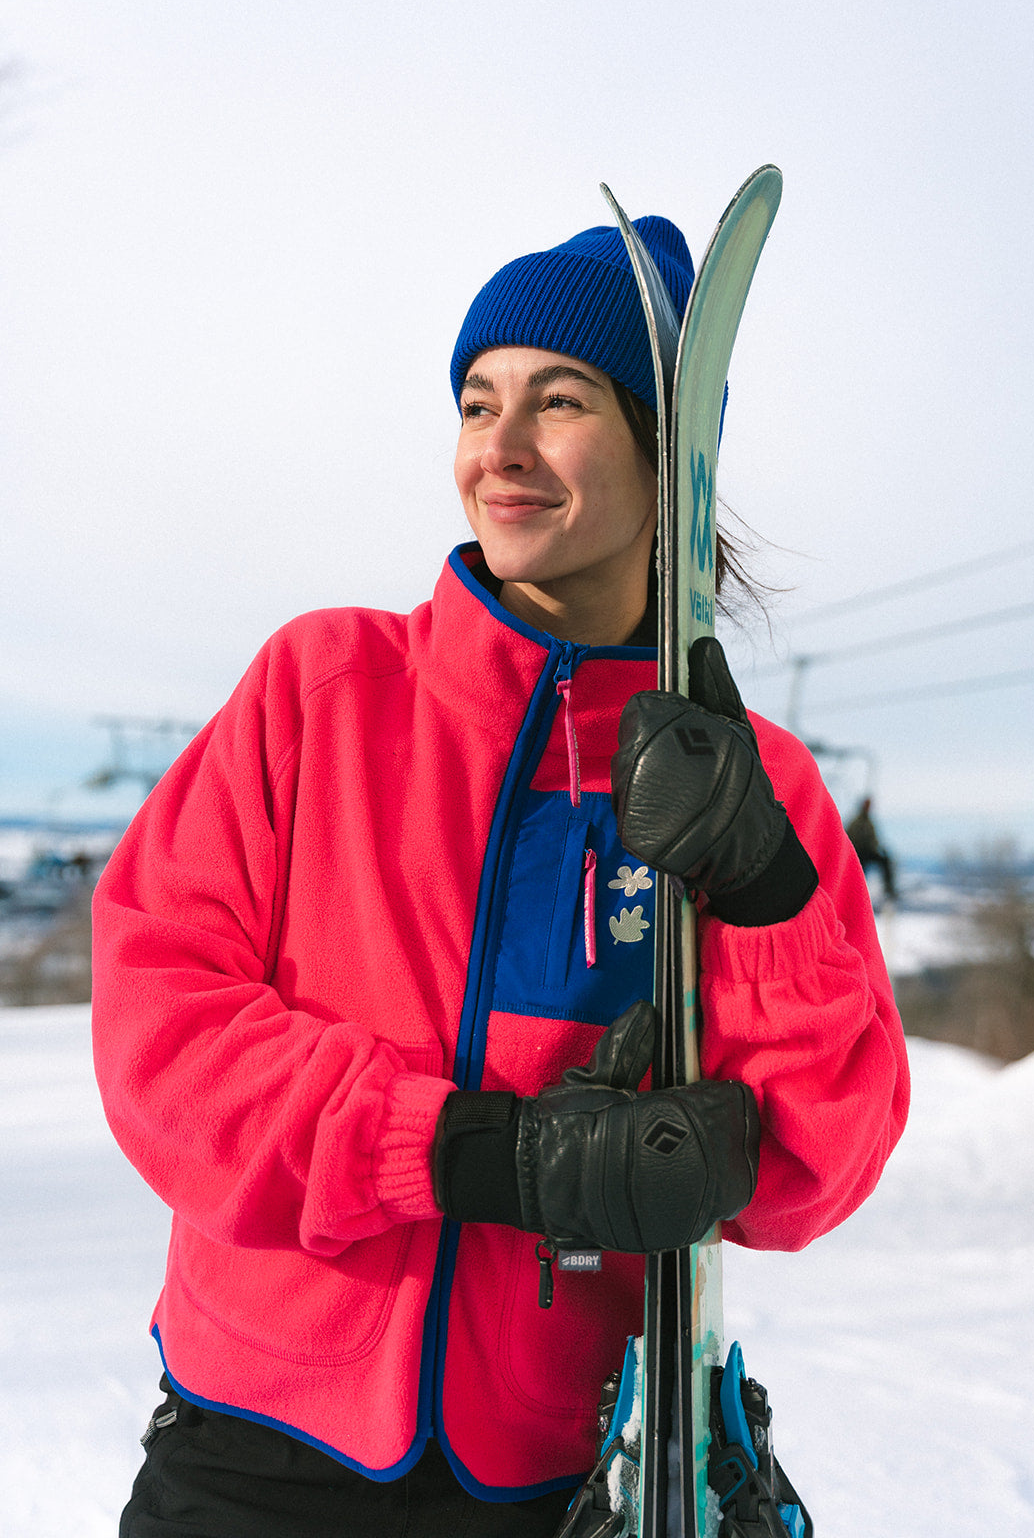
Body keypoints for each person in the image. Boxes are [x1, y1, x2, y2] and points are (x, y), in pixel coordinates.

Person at [92, 210, 909, 1538]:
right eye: (478, 402)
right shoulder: (320, 690)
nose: (499, 447)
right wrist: (474, 1155)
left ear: (667, 458)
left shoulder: (754, 781)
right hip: (253, 1450)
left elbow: (815, 1166)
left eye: (559, 400)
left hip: (560, 1476)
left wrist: (761, 885)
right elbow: (163, 1038)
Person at [845, 796, 897, 904]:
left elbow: (874, 840)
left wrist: (878, 849)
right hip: (859, 853)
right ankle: (856, 893)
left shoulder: (868, 822)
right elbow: (849, 838)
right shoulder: (856, 822)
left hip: (868, 852)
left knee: (885, 861)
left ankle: (888, 888)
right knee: (860, 873)